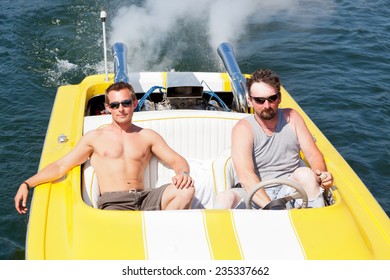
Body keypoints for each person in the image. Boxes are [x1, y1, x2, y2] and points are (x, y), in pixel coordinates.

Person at [15, 81, 195, 214]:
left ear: (134, 104)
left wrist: (183, 174)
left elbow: (177, 160)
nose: (121, 109)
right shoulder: (95, 137)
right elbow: (61, 166)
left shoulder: (147, 136)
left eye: (125, 103)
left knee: (186, 190)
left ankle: (161, 234)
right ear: (108, 108)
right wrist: (27, 184)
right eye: (115, 105)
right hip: (114, 202)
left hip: (145, 197)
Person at [215, 69, 333, 209]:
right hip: (255, 193)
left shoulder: (292, 118)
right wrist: (271, 207)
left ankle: (316, 223)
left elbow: (313, 155)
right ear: (250, 101)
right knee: (224, 198)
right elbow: (245, 175)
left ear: (280, 98)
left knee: (306, 174)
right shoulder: (243, 129)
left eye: (272, 98)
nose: (267, 105)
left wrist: (321, 175)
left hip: (289, 189)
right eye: (259, 100)